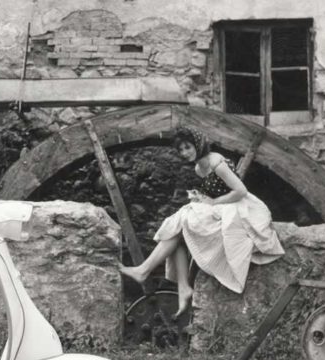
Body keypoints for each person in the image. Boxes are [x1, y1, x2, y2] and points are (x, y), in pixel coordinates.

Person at [119, 127, 284, 317]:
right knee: (180, 228)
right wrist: (201, 197)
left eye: (188, 147)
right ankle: (182, 287)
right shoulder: (199, 169)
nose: (185, 153)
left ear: (198, 144)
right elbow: (216, 192)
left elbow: (240, 191)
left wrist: (212, 202)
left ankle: (147, 271)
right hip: (223, 206)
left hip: (242, 208)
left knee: (183, 218)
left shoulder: (217, 162)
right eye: (181, 150)